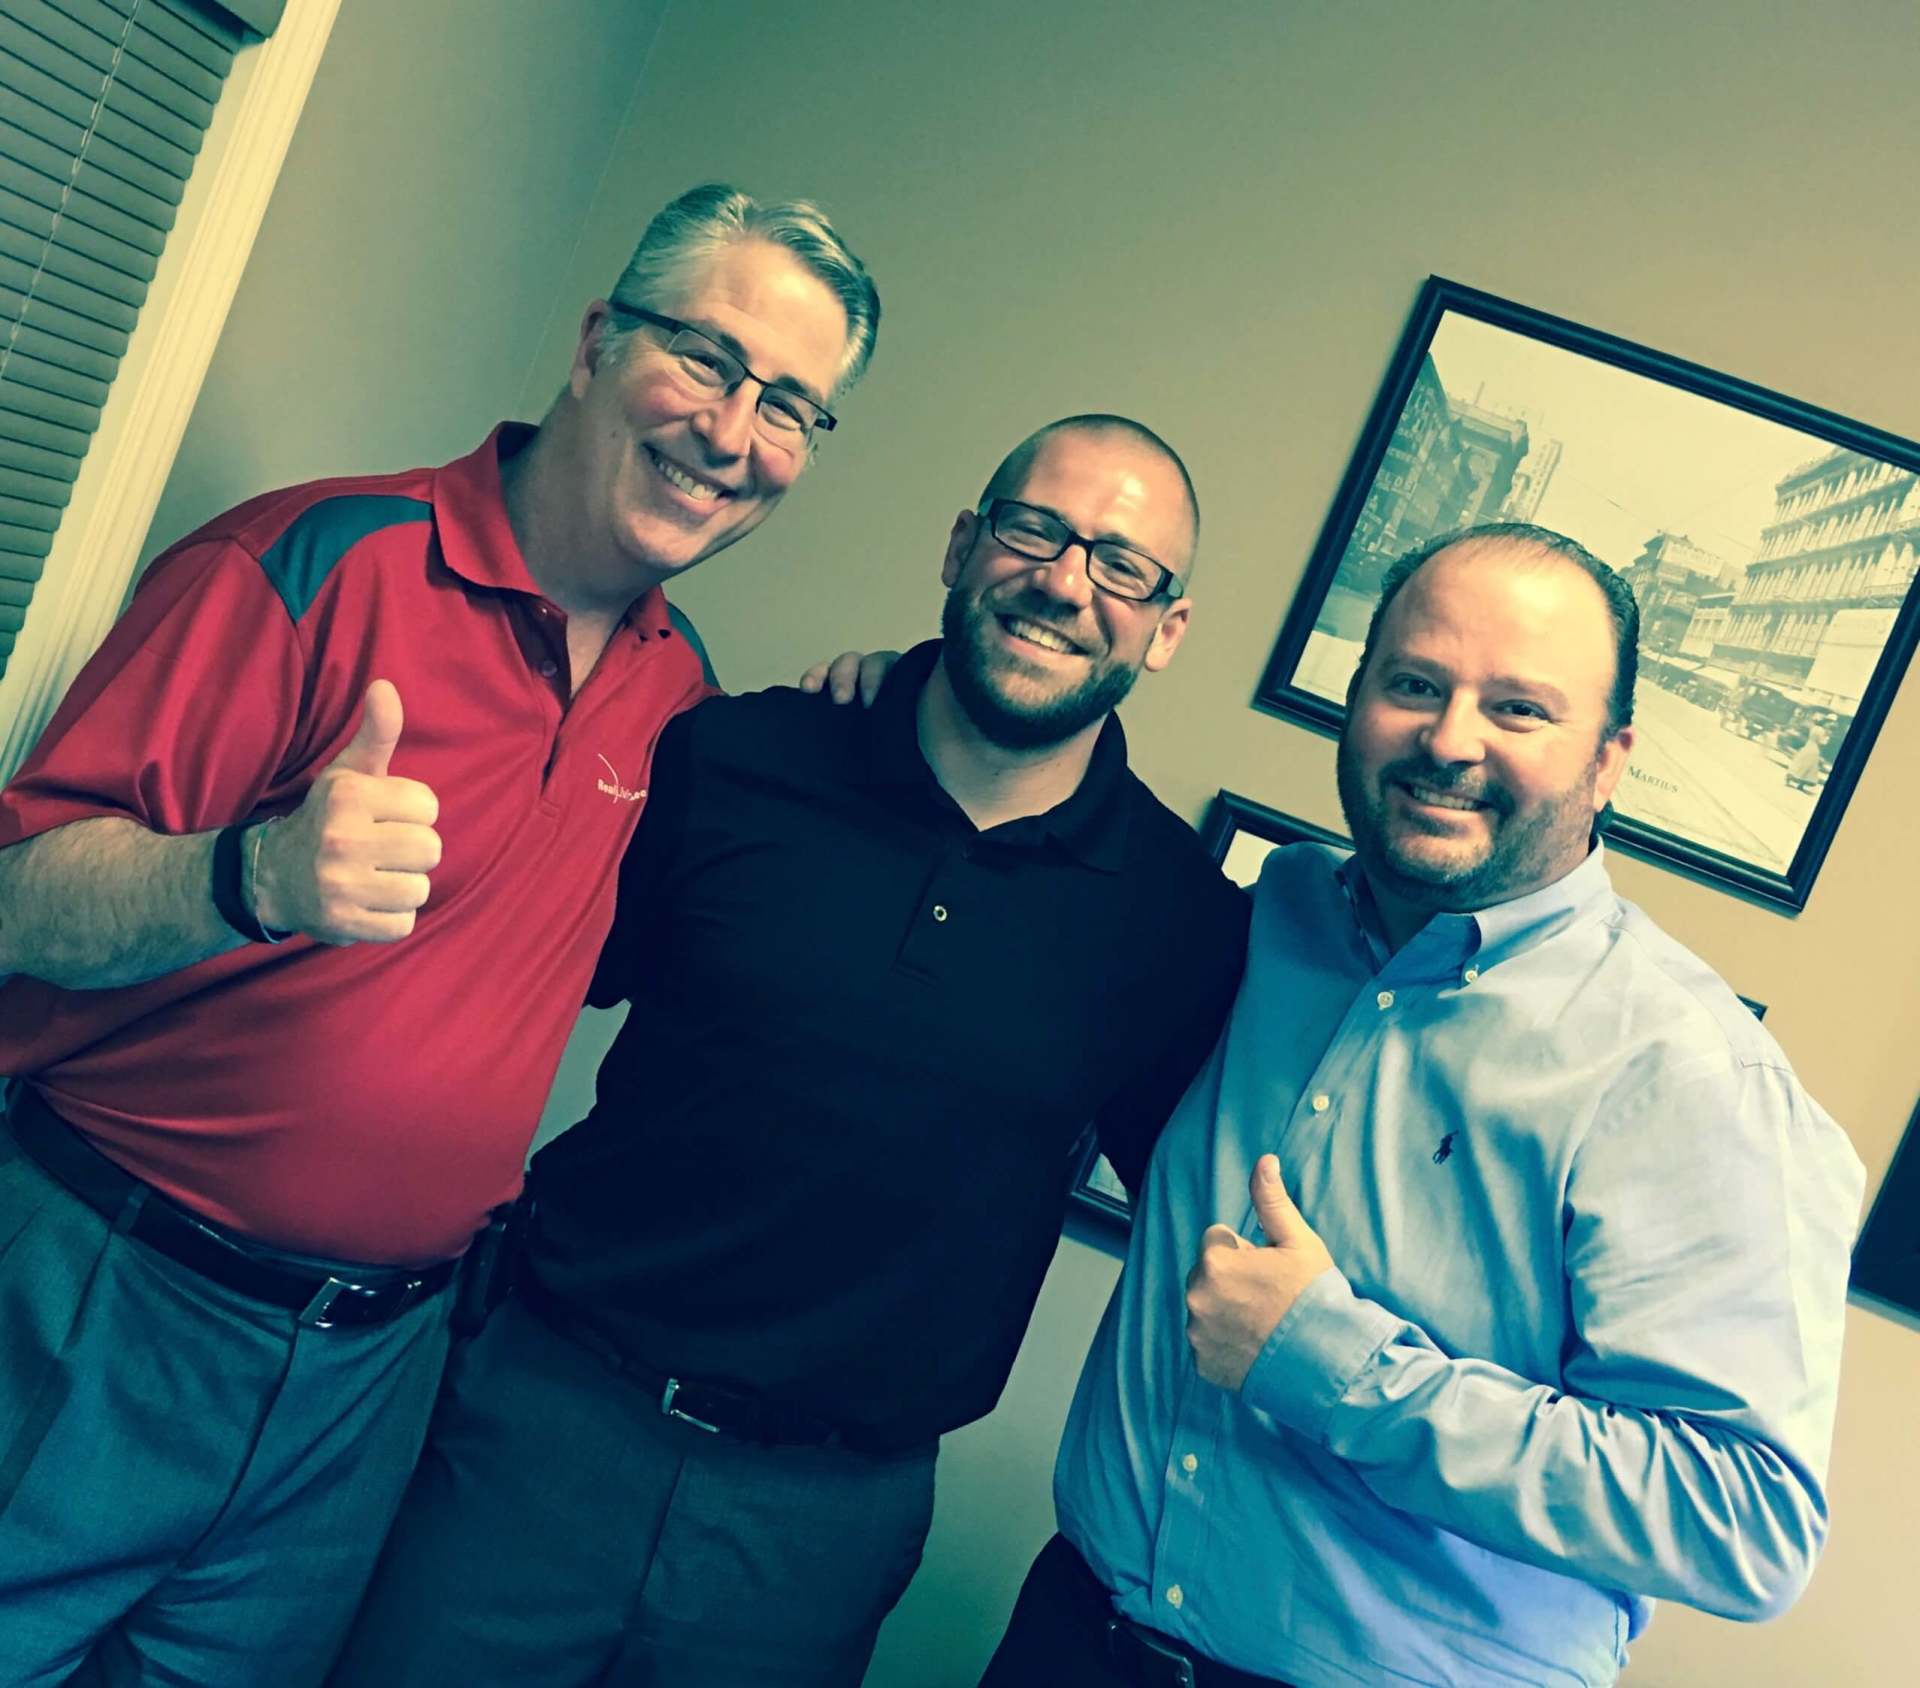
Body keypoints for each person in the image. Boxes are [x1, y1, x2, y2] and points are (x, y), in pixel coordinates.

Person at [0, 182, 878, 1688]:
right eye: (709, 361)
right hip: (106, 1295)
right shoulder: (315, 563)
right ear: (599, 340)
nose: (734, 434)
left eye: (792, 406)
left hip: (370, 1376)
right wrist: (249, 876)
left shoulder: (690, 711)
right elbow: (18, 897)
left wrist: (862, 734)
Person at [327, 415, 1252, 1688]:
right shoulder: (735, 755)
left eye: (1121, 565)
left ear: (1167, 626)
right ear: (964, 543)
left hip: (820, 1525)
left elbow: (1204, 1210)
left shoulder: (1185, 923)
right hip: (538, 1424)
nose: (1064, 581)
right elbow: (506, 987)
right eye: (1034, 529)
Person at [981, 523, 1865, 1688]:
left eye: (1519, 709)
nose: (1450, 740)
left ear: (1610, 758)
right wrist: (894, 701)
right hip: (1072, 1637)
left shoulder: (1689, 1072)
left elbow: (1744, 1520)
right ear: (1355, 700)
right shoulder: (1280, 908)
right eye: (1414, 684)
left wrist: (1329, 1361)